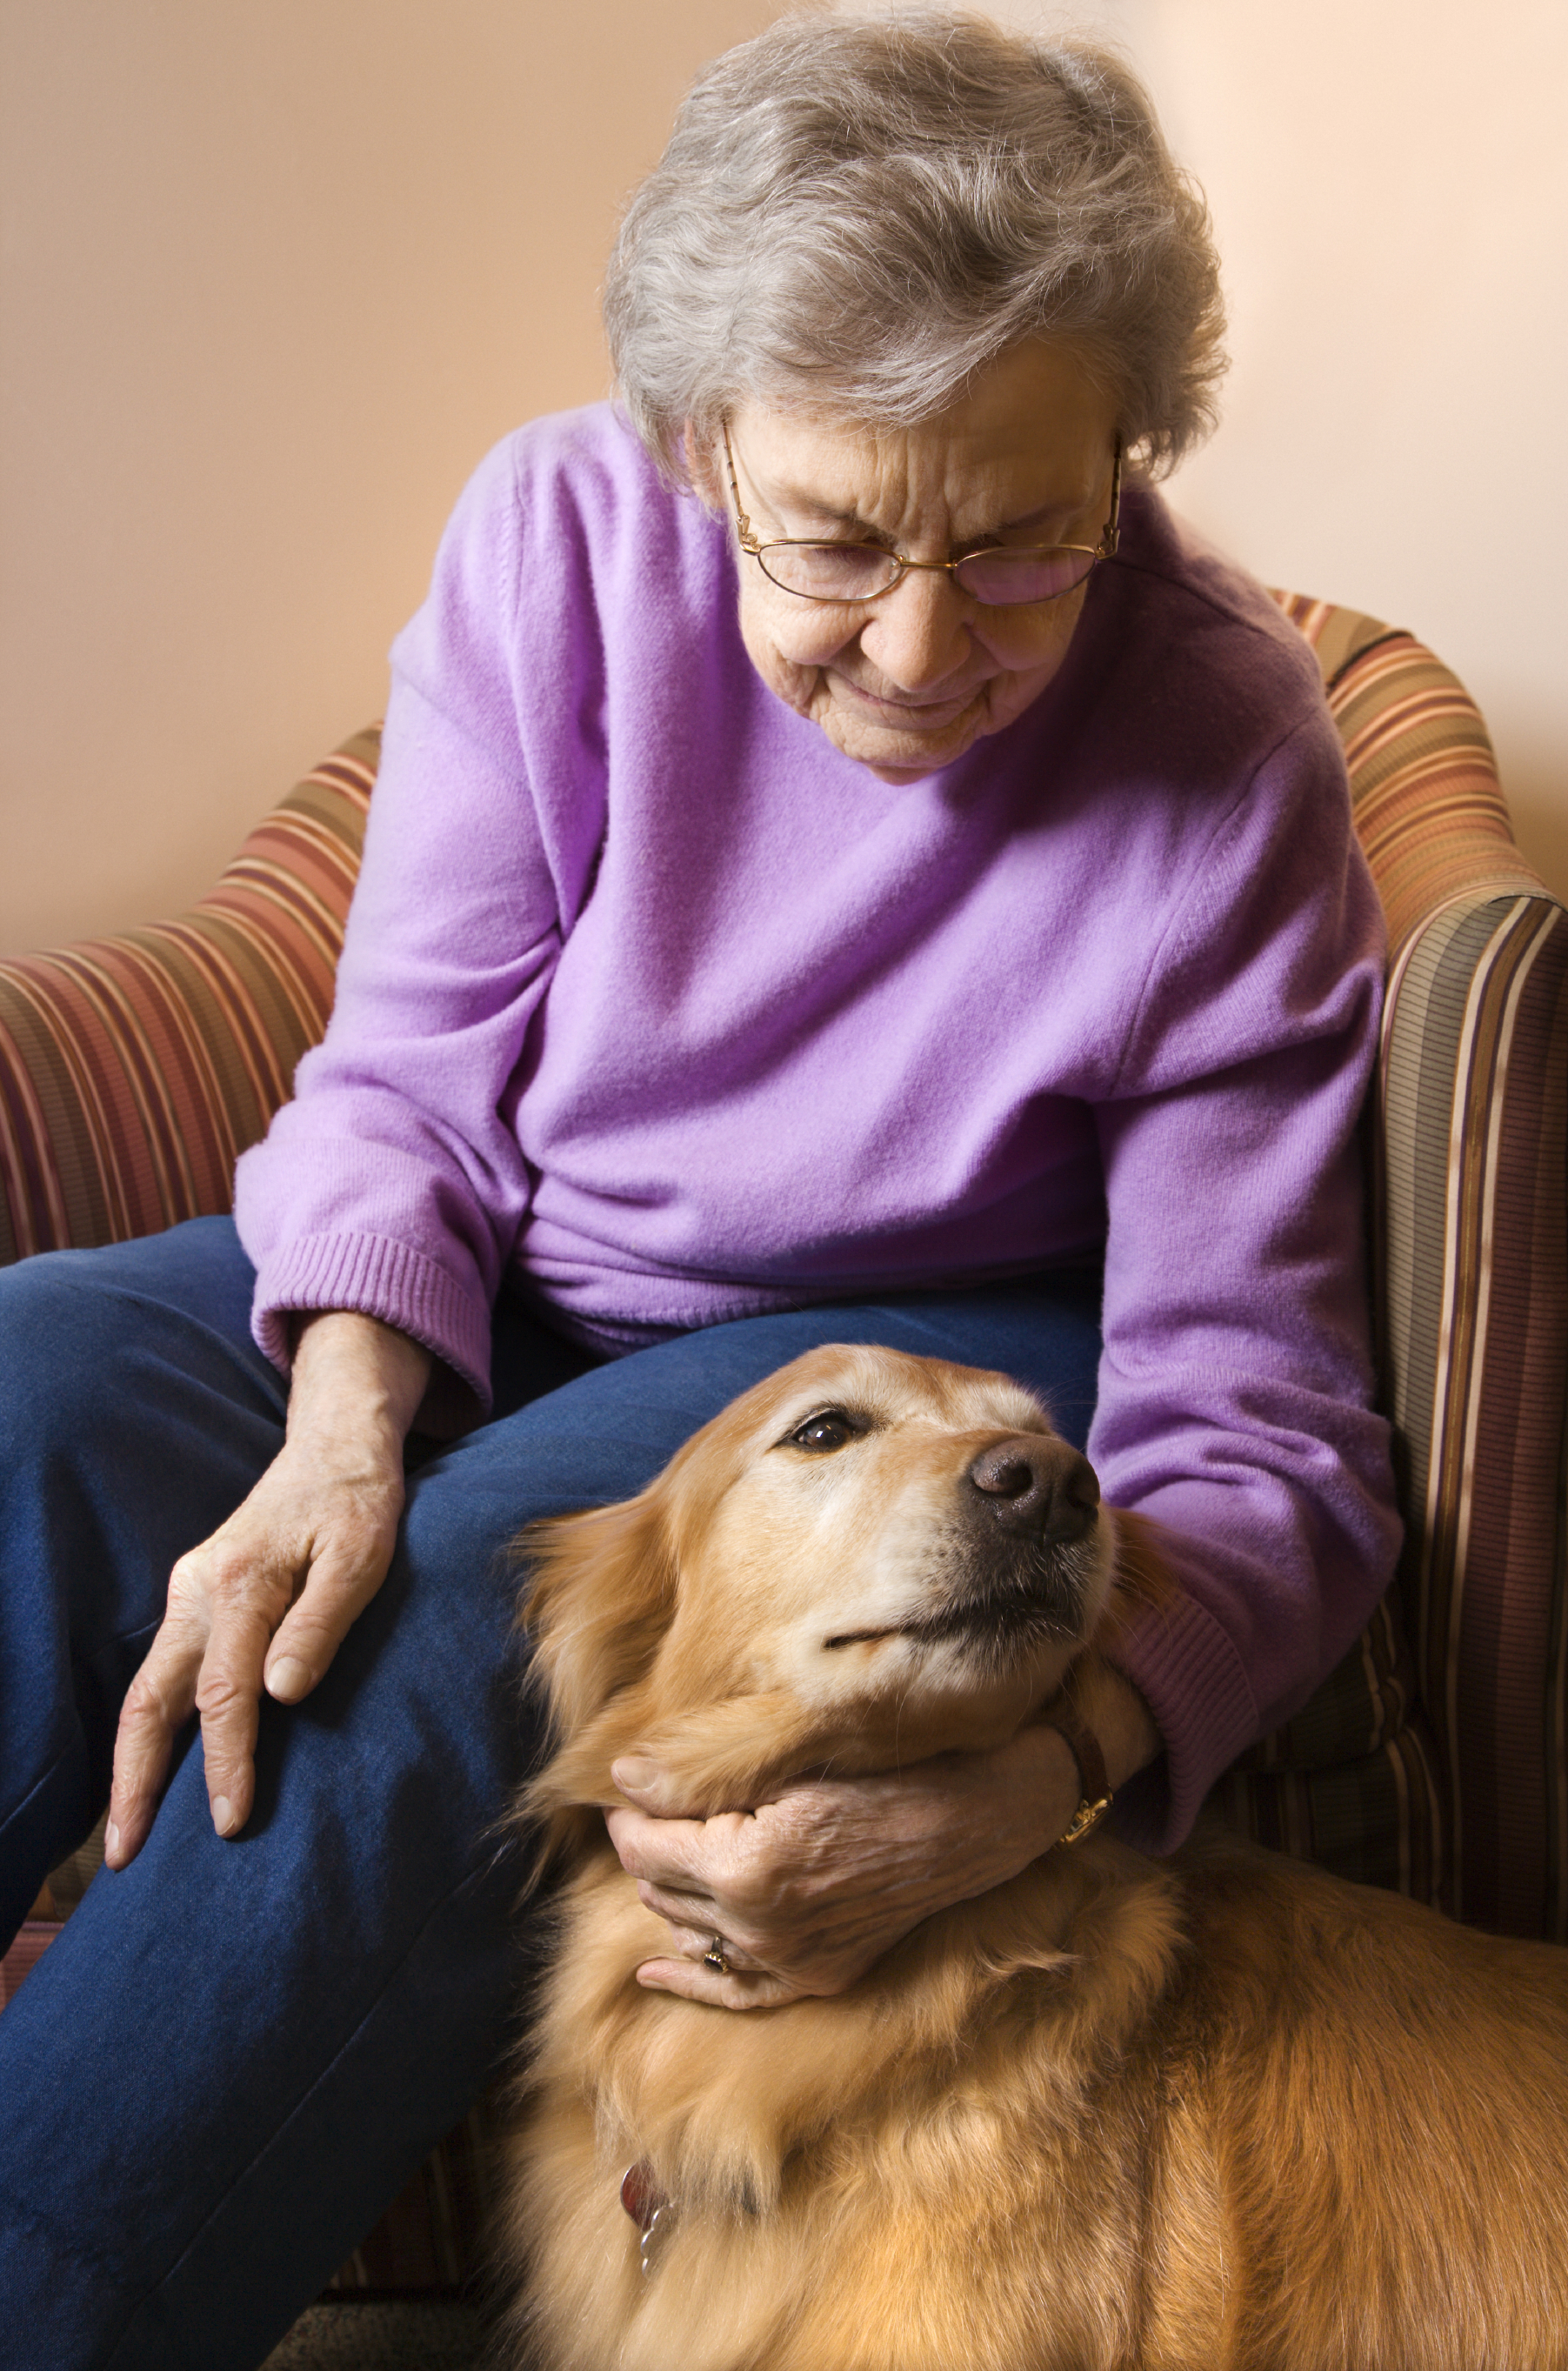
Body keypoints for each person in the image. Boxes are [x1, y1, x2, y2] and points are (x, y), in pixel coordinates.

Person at [0, 11, 1401, 2365]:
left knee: (463, 1610)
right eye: (833, 540)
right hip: (510, 1257)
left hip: (913, 1328)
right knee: (32, 1378)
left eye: (1027, 545)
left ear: (1127, 461)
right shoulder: (556, 534)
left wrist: (1051, 1772)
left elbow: (1255, 1418)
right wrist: (330, 1424)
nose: (927, 651)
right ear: (694, 448)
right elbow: (408, 1065)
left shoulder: (1227, 754)